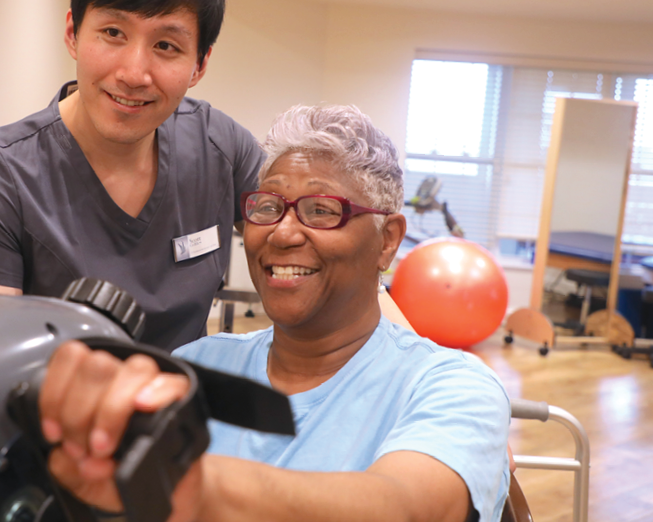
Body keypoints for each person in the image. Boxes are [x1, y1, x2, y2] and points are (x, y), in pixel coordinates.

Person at [36, 105, 511, 522]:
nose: (282, 234)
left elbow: (404, 508)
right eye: (268, 206)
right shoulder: (197, 367)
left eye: (322, 210)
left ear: (387, 239)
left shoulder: (453, 386)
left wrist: (190, 488)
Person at [0, 0, 263, 351]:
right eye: (113, 33)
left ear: (200, 65)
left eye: (167, 45)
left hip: (186, 402)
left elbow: (302, 243)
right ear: (73, 33)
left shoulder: (220, 147)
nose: (133, 74)